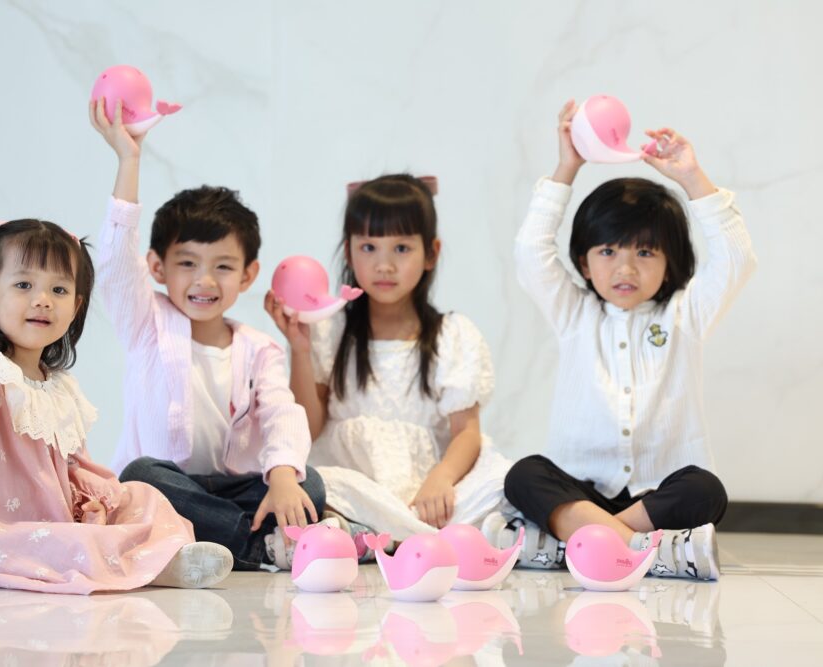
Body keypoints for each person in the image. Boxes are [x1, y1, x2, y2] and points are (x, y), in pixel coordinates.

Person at [0, 217, 233, 593]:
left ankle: (158, 557)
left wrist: (92, 501)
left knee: (144, 497)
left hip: (56, 522)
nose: (43, 299)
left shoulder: (59, 387)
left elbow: (72, 465)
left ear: (75, 306)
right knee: (70, 543)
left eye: (58, 289)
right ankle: (158, 565)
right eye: (24, 285)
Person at [494, 100, 757, 580]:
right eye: (608, 251)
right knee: (523, 476)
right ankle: (642, 549)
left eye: (645, 252)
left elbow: (736, 259)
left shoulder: (685, 315)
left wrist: (692, 177)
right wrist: (567, 167)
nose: (625, 268)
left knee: (706, 491)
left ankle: (576, 542)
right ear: (583, 260)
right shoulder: (574, 313)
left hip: (655, 496)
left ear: (671, 263)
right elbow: (531, 252)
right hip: (581, 489)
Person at [89, 98, 325, 571]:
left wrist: (282, 474)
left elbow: (282, 412)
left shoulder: (260, 348)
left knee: (310, 482)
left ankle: (219, 537)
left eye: (223, 266)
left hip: (235, 489)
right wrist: (129, 159)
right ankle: (256, 546)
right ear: (157, 268)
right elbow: (115, 262)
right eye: (188, 263)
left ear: (248, 274)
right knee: (140, 477)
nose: (204, 280)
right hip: (171, 487)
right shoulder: (147, 322)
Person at [266, 174, 512, 553]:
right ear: (348, 253)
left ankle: (372, 536)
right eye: (368, 247)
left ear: (430, 253)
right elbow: (307, 429)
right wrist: (299, 349)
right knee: (317, 487)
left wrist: (442, 479)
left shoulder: (452, 334)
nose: (384, 265)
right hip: (353, 478)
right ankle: (368, 532)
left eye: (401, 248)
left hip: (427, 489)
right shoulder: (331, 330)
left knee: (501, 484)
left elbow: (466, 432)